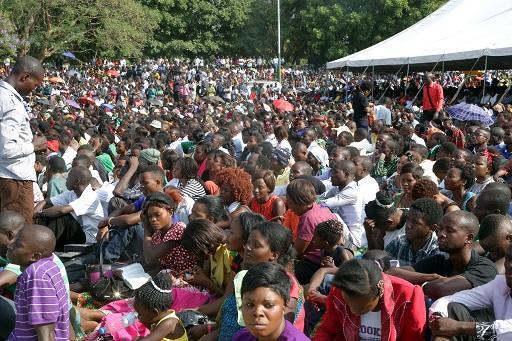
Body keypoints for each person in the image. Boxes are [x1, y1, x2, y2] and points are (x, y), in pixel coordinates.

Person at [387, 211, 497, 300]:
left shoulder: (485, 268)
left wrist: (418, 283)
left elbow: (440, 289)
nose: (441, 234)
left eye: (449, 231)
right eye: (440, 229)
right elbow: (391, 273)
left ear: (468, 238)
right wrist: (430, 277)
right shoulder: (441, 260)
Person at [312, 259, 426, 341]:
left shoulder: (408, 296)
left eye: (362, 308)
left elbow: (413, 338)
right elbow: (327, 330)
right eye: (348, 304)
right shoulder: (341, 289)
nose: (353, 311)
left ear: (380, 290)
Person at [428, 243, 512, 341]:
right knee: (454, 308)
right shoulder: (500, 284)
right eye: (508, 259)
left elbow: (508, 330)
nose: (510, 265)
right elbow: (448, 300)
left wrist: (458, 327)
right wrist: (439, 320)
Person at [0, 56, 47, 224]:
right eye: (35, 84)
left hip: (8, 176)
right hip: (14, 179)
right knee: (20, 236)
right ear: (24, 77)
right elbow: (7, 149)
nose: (34, 89)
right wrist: (33, 146)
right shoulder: (11, 103)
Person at [6, 225, 69, 340]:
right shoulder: (48, 265)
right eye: (13, 240)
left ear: (35, 256)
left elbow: (46, 332)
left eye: (18, 245)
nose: (10, 245)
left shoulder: (36, 275)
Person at [233, 263, 310, 341]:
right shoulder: (241, 337)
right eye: (250, 304)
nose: (257, 312)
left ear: (284, 306)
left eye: (268, 305)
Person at [34, 166, 104, 249]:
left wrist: (41, 213)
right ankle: (39, 241)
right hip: (75, 232)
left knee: (63, 216)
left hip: (88, 237)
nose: (66, 180)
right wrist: (34, 213)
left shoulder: (90, 196)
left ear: (76, 181)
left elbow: (62, 210)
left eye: (68, 178)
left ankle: (43, 245)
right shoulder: (71, 193)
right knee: (51, 212)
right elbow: (46, 201)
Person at [287, 179, 337, 284]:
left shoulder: (307, 217)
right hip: (328, 259)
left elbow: (298, 251)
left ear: (299, 201)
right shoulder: (323, 208)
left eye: (290, 203)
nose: (290, 208)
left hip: (314, 264)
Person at [141, 192, 197, 275]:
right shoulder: (158, 234)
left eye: (157, 215)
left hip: (185, 276)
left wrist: (147, 232)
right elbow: (151, 260)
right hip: (169, 274)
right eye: (150, 216)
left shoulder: (179, 229)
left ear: (170, 212)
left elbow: (150, 258)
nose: (153, 219)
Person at [385, 198, 443, 267]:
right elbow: (382, 262)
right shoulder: (399, 241)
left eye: (415, 222)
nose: (408, 225)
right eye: (408, 219)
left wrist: (395, 271)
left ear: (432, 228)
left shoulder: (437, 251)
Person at [320, 160, 365, 248]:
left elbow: (323, 204)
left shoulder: (352, 191)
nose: (331, 175)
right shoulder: (339, 187)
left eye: (335, 172)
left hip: (353, 239)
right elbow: (321, 197)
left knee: (330, 214)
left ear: (346, 174)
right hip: (343, 231)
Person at [133, 273, 188, 341]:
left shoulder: (169, 323)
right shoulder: (156, 317)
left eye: (140, 314)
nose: (138, 317)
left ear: (154, 313)